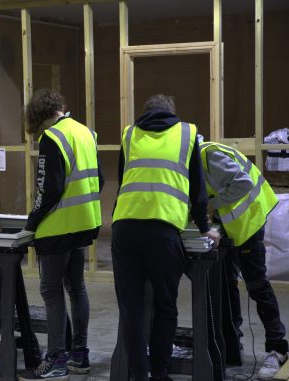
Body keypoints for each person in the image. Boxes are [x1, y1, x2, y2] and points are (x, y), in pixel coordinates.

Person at [111, 94, 220, 381]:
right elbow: (197, 187)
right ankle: (159, 374)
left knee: (132, 309)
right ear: (172, 112)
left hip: (124, 228)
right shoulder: (187, 133)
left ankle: (138, 376)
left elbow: (124, 180)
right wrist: (204, 225)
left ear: (145, 112)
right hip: (163, 231)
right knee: (164, 305)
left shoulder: (130, 133)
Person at [19, 89, 103, 380]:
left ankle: (55, 358)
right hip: (84, 223)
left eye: (37, 127)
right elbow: (99, 179)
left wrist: (31, 223)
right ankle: (79, 355)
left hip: (57, 228)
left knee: (50, 291)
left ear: (42, 118)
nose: (38, 133)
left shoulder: (52, 138)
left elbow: (48, 189)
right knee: (77, 288)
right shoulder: (86, 133)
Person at [198, 139, 285, 378]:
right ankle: (232, 345)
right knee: (226, 284)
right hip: (230, 224)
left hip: (249, 220)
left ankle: (277, 349)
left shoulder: (208, 156)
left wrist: (209, 205)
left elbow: (243, 183)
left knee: (256, 285)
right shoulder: (193, 159)